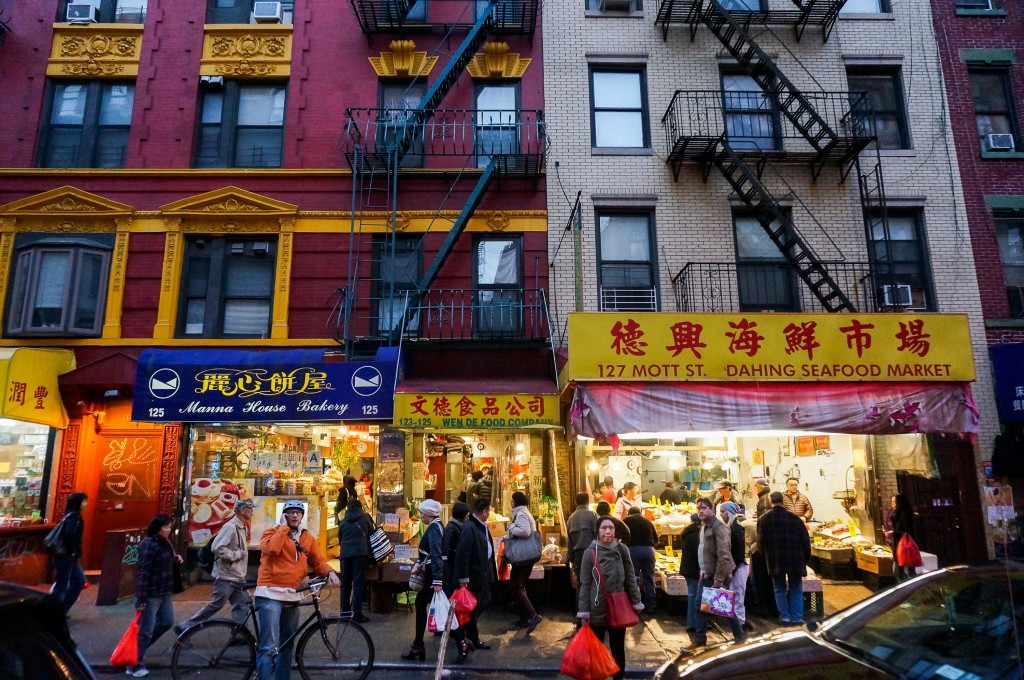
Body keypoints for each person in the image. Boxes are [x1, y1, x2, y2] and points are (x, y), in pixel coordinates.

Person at [255, 500, 338, 680]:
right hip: (270, 592)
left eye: (298, 513)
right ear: (284, 515)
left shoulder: (307, 537)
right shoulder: (271, 533)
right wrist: (283, 528)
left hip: (292, 594)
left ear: (302, 516)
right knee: (268, 646)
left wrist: (330, 572)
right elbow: (272, 549)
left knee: (287, 643)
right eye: (291, 512)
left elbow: (317, 561)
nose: (295, 515)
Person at [577, 516, 643, 680]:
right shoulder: (589, 553)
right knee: (597, 650)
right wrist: (584, 611)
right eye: (604, 528)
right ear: (598, 531)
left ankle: (618, 678)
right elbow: (585, 584)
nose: (608, 531)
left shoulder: (622, 550)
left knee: (618, 649)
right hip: (597, 607)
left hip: (619, 607)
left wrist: (636, 601)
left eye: (611, 528)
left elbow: (630, 577)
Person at [176, 497, 254, 634]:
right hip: (226, 575)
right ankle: (187, 626)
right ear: (242, 510)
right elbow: (217, 548)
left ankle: (241, 635)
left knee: (241, 605)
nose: (252, 511)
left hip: (237, 576)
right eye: (250, 508)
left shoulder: (241, 527)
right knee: (217, 604)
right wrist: (236, 555)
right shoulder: (230, 527)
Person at [686, 497, 746, 649]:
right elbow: (704, 551)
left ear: (712, 510)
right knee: (702, 606)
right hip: (707, 574)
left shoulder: (719, 527)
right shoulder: (704, 526)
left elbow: (724, 554)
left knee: (722, 607)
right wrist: (702, 570)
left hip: (717, 575)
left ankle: (739, 637)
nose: (701, 510)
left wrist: (719, 578)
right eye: (698, 508)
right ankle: (701, 639)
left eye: (704, 507)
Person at [128, 514, 182, 678]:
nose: (168, 530)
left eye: (169, 527)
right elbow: (143, 572)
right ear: (157, 528)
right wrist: (141, 598)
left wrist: (174, 559)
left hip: (164, 591)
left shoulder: (164, 542)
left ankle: (137, 649)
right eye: (166, 527)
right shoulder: (149, 544)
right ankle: (135, 664)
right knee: (146, 629)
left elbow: (164, 560)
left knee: (166, 622)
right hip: (151, 593)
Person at [757, 491, 811, 626]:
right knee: (796, 588)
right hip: (795, 558)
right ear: (783, 501)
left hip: (775, 560)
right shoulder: (795, 518)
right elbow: (806, 541)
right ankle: (797, 618)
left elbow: (760, 544)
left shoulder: (763, 519)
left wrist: (766, 558)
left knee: (779, 589)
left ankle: (785, 618)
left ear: (771, 502)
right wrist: (805, 559)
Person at [401, 499, 444, 662]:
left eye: (421, 513)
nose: (420, 516)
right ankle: (418, 644)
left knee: (424, 604)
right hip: (434, 573)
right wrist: (421, 562)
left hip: (433, 575)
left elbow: (436, 552)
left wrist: (437, 579)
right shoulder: (437, 526)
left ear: (428, 514)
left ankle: (419, 645)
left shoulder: (433, 528)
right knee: (427, 604)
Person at [454, 499, 496, 663]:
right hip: (473, 575)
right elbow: (463, 553)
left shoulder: (478, 526)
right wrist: (463, 578)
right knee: (470, 608)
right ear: (485, 511)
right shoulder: (470, 528)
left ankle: (471, 638)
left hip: (482, 573)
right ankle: (463, 640)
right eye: (489, 511)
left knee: (480, 603)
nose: (489, 514)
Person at [506, 491, 543, 633]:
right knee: (519, 585)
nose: (511, 503)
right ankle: (524, 618)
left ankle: (533, 615)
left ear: (516, 502)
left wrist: (510, 527)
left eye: (512, 500)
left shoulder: (521, 514)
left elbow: (525, 532)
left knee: (516, 586)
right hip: (527, 556)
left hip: (522, 556)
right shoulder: (524, 513)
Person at [50, 491, 87, 614]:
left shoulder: (72, 515)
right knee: (61, 586)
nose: (86, 504)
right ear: (78, 503)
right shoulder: (73, 516)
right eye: (84, 501)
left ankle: (61, 610)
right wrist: (72, 551)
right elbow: (69, 534)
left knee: (79, 580)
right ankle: (54, 613)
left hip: (68, 556)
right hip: (66, 556)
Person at [338, 499, 374, 622]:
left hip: (345, 555)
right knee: (358, 584)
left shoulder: (343, 521)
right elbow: (371, 535)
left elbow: (340, 539)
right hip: (360, 554)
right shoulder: (365, 518)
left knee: (345, 584)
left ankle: (344, 612)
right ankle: (357, 614)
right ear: (360, 508)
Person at [719, 501, 750, 631]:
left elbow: (738, 552)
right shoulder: (729, 527)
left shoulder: (735, 528)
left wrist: (733, 568)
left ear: (730, 512)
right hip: (733, 567)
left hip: (738, 567)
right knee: (733, 595)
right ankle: (736, 623)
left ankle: (740, 624)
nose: (721, 515)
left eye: (723, 512)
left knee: (737, 596)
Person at [623, 506, 659, 615]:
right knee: (649, 579)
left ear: (629, 513)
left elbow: (621, 537)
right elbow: (656, 538)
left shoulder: (626, 520)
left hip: (633, 550)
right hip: (649, 550)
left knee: (634, 579)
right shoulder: (648, 521)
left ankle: (635, 606)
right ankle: (651, 607)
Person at [567, 492, 598, 588]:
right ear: (588, 501)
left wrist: (571, 558)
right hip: (593, 553)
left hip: (578, 555)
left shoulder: (571, 518)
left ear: (576, 502)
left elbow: (570, 541)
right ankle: (592, 603)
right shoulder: (593, 515)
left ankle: (580, 603)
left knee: (581, 584)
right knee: (594, 582)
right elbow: (598, 536)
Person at [886, 494, 917, 582]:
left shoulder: (905, 514)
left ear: (900, 503)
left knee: (907, 573)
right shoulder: (897, 514)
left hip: (905, 548)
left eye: (894, 502)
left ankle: (909, 591)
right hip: (899, 547)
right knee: (897, 571)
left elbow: (909, 533)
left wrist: (893, 533)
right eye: (891, 502)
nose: (892, 504)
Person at [678, 513, 701, 633]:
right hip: (693, 570)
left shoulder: (688, 533)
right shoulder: (695, 535)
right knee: (695, 598)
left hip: (688, 570)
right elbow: (699, 555)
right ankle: (694, 624)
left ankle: (694, 623)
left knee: (693, 596)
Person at [442, 502, 470, 594]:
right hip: (451, 569)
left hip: (454, 568)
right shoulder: (451, 529)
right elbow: (446, 551)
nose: (467, 518)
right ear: (461, 516)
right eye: (467, 515)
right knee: (451, 594)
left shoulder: (458, 527)